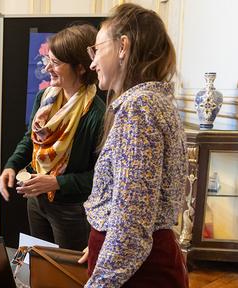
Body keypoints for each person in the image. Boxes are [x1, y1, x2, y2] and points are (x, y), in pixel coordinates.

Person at [78, 4, 188, 287]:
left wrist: (99, 282)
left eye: (97, 50)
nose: (92, 63)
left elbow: (132, 222)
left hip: (139, 273)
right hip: (141, 263)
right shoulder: (154, 102)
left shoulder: (138, 108)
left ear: (123, 46)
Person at [0, 24, 105, 251]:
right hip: (37, 201)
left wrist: (56, 182)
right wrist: (11, 165)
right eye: (48, 60)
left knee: (68, 273)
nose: (47, 67)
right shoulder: (44, 97)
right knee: (41, 262)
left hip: (71, 208)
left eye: (55, 63)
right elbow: (31, 138)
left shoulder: (98, 114)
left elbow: (101, 177)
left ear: (80, 67)